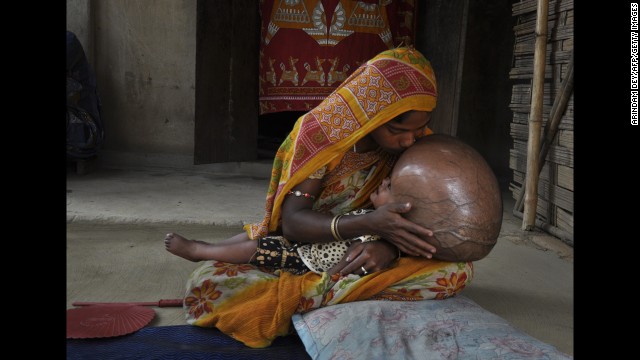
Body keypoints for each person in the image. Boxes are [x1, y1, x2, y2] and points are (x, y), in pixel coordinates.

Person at [177, 47, 476, 348]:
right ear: (373, 113)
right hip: (304, 248)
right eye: (398, 129)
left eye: (420, 128)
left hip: (372, 247)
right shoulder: (321, 135)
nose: (410, 140)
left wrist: (388, 248)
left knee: (457, 270)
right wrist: (372, 223)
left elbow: (421, 216)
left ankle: (325, 296)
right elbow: (293, 223)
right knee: (212, 282)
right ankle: (341, 295)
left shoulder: (414, 145)